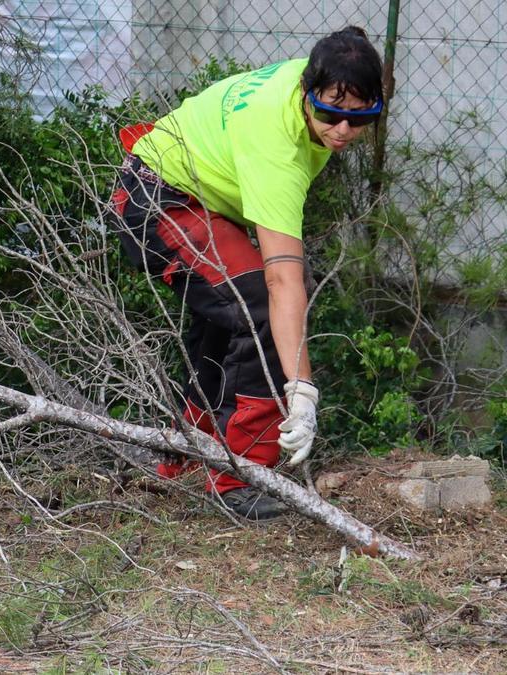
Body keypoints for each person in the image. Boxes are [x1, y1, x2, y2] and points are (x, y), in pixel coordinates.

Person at [110, 26, 384, 520]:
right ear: (306, 91)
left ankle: (183, 452)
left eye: (360, 117)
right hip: (155, 198)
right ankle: (241, 478)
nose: (343, 130)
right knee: (256, 304)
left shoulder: (321, 76)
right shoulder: (276, 144)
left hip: (196, 199)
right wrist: (302, 392)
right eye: (330, 114)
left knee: (229, 308)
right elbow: (283, 283)